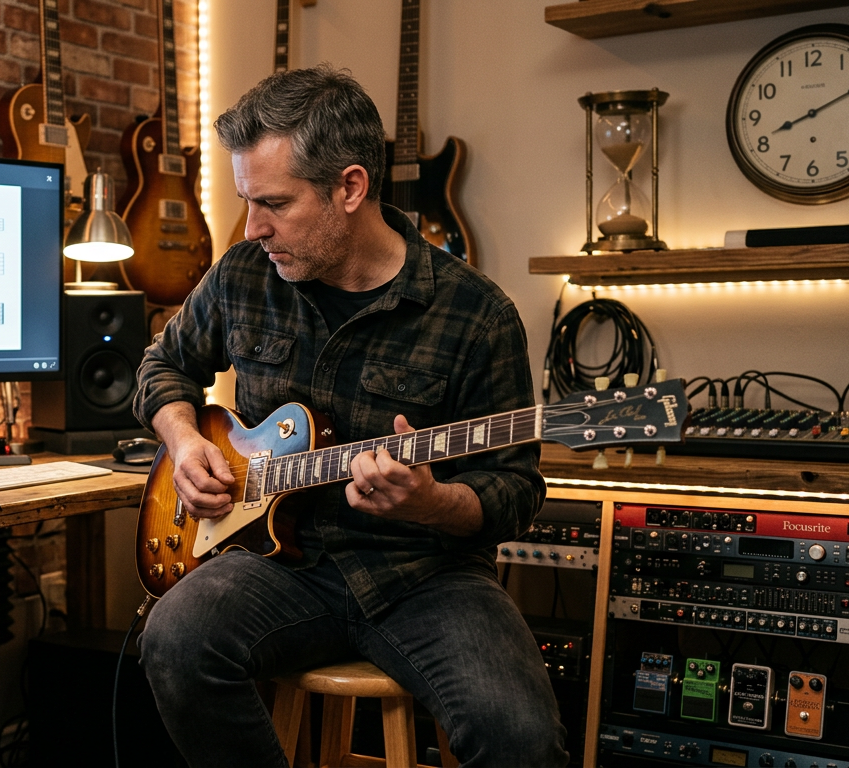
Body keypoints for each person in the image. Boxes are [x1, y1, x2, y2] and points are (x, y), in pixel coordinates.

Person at [131, 65, 567, 767]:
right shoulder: (243, 274)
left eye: (274, 203)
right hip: (274, 565)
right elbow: (162, 367)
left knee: (520, 737)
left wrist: (431, 502)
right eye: (247, 202)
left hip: (425, 574)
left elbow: (514, 492)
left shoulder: (476, 314)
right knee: (174, 640)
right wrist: (184, 441)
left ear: (350, 187)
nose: (254, 228)